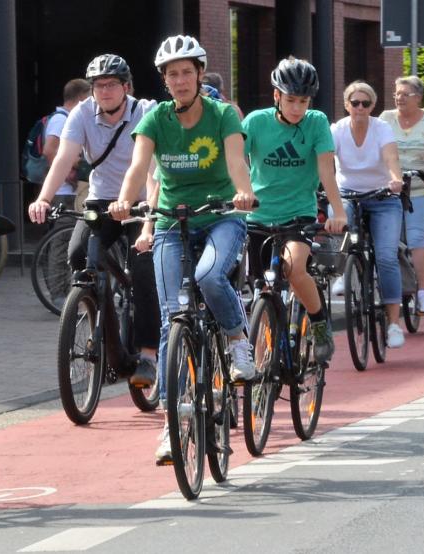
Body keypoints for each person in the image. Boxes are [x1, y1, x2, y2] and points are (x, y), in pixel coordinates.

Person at [108, 35, 257, 462]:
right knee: (173, 313)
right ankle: (173, 424)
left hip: (222, 215)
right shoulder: (155, 119)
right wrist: (124, 200)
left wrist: (243, 193)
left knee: (211, 276)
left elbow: (234, 162)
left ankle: (236, 341)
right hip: (173, 219)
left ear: (198, 75)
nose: (180, 80)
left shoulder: (223, 114)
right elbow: (139, 166)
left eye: (187, 72)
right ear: (165, 81)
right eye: (172, 74)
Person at [28, 53, 162, 389]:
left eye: (111, 85)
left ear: (126, 86)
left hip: (139, 200)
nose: (104, 91)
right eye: (98, 86)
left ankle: (147, 355)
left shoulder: (143, 112)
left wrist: (145, 214)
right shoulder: (82, 114)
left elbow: (151, 170)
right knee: (79, 256)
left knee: (144, 269)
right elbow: (63, 158)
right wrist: (44, 198)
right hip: (101, 200)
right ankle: (111, 342)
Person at [242, 57, 347, 364]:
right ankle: (261, 373)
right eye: (290, 100)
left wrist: (339, 213)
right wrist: (237, 194)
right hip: (259, 215)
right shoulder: (255, 122)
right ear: (276, 95)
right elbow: (234, 162)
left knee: (294, 267)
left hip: (298, 214)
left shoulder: (315, 123)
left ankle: (319, 324)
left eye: (303, 101)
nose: (297, 108)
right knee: (262, 291)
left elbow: (327, 172)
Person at [330, 81, 407, 348]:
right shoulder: (337, 130)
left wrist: (396, 179)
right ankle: (344, 270)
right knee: (336, 223)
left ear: (372, 106)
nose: (360, 108)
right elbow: (325, 161)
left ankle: (394, 323)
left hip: (382, 197)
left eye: (365, 103)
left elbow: (391, 158)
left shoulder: (382, 128)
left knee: (386, 256)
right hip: (348, 194)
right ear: (347, 104)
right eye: (355, 103)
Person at [379, 75, 424, 315]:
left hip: (417, 187)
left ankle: (423, 293)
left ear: (418, 97)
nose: (399, 98)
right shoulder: (386, 119)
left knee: (418, 237)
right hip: (390, 188)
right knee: (388, 240)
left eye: (405, 94)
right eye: (396, 94)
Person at [43, 79, 92, 211]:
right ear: (82, 97)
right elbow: (49, 150)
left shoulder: (69, 118)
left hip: (69, 190)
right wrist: (68, 173)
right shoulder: (61, 120)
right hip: (64, 191)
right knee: (65, 228)